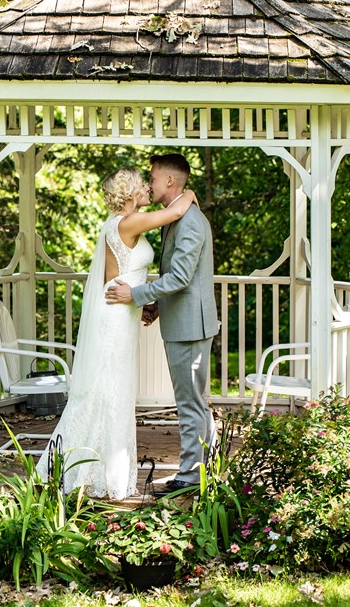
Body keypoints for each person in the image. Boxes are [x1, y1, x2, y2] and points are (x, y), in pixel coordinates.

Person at [37, 167, 198, 500]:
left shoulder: (121, 223)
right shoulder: (128, 222)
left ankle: (97, 469)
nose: (147, 189)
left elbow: (128, 274)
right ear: (130, 193)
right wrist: (189, 194)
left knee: (113, 390)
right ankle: (88, 471)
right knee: (108, 389)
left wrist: (144, 304)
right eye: (142, 185)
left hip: (124, 312)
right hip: (115, 317)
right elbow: (174, 212)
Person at [106, 153, 218, 497]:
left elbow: (181, 277)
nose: (150, 183)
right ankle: (205, 468)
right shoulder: (175, 216)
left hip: (190, 326)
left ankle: (190, 476)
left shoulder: (190, 221)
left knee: (189, 403)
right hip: (183, 320)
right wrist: (155, 304)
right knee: (195, 401)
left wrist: (136, 295)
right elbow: (177, 275)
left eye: (152, 178)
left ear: (170, 180)